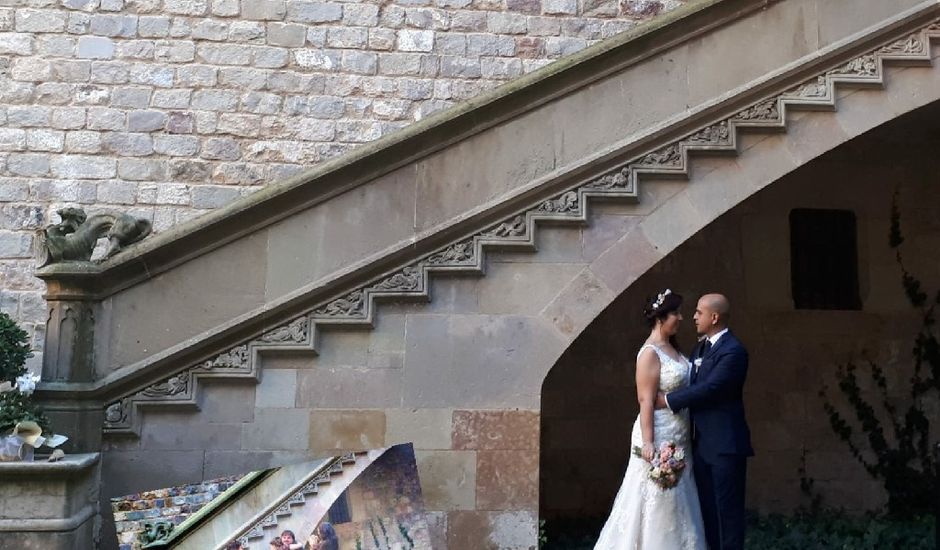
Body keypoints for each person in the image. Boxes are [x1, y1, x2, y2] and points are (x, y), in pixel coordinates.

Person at [594, 289, 706, 549]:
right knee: (659, 497)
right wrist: (648, 442)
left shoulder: (672, 348)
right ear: (660, 318)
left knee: (682, 498)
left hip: (680, 434)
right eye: (675, 313)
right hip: (660, 434)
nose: (680, 318)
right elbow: (645, 400)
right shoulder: (649, 353)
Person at [658, 293, 754, 550]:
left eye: (699, 312)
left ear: (714, 317)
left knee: (727, 516)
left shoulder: (734, 351)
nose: (693, 317)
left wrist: (667, 400)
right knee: (707, 515)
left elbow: (713, 388)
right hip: (700, 446)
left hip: (725, 446)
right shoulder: (700, 348)